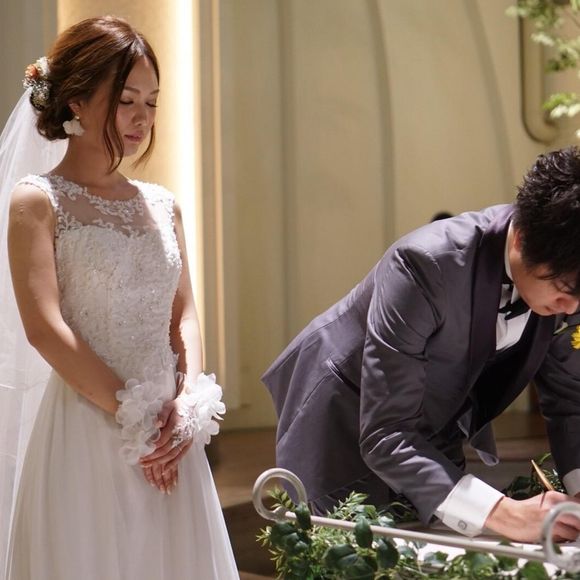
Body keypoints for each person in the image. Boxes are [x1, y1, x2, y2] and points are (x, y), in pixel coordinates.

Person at [0, 16, 238, 579]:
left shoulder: (163, 204)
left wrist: (187, 404)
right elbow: (44, 328)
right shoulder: (37, 202)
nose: (142, 118)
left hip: (170, 433)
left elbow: (184, 314)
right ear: (77, 101)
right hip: (89, 426)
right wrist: (135, 415)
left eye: (152, 103)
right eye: (126, 99)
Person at [263, 147, 580, 543]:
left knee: (433, 548)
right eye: (564, 290)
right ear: (522, 239)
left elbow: (570, 401)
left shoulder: (567, 279)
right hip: (345, 421)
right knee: (356, 552)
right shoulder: (425, 265)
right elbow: (386, 432)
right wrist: (506, 514)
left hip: (433, 424)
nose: (572, 308)